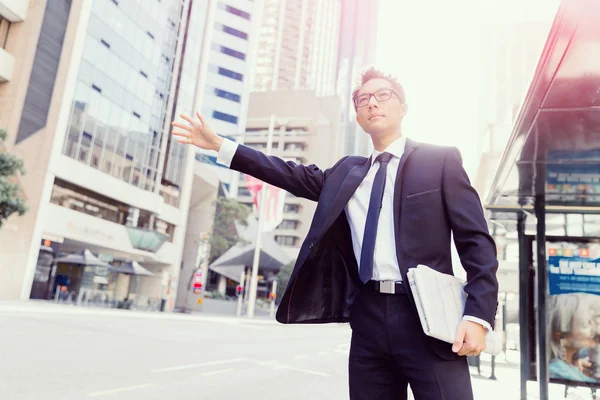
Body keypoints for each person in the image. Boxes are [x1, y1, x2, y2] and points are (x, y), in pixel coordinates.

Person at [172, 67, 499, 399]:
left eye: (383, 95)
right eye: (363, 99)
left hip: (428, 315)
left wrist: (477, 314)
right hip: (368, 315)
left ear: (403, 107)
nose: (373, 103)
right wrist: (219, 145)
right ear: (357, 116)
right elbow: (287, 172)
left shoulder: (439, 160)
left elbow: (476, 241)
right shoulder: (347, 172)